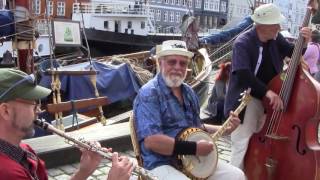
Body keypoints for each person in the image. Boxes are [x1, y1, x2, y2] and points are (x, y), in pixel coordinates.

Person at [133, 40, 245, 180]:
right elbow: (152, 141)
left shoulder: (189, 93)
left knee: (237, 176)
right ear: (160, 62)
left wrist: (224, 128)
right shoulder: (149, 93)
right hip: (160, 162)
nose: (178, 67)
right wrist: (195, 148)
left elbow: (197, 127)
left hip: (191, 160)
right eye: (172, 62)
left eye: (183, 63)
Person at [0, 68, 133, 180]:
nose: (39, 111)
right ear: (6, 111)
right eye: (33, 105)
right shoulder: (8, 173)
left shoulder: (24, 149)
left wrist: (84, 171)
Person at [224, 3, 311, 170]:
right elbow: (243, 75)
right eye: (275, 24)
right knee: (241, 143)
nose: (279, 27)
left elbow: (293, 52)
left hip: (268, 101)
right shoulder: (243, 43)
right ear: (262, 26)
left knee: (260, 142)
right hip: (247, 99)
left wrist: (304, 42)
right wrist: (268, 93)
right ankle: (235, 174)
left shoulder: (275, 38)